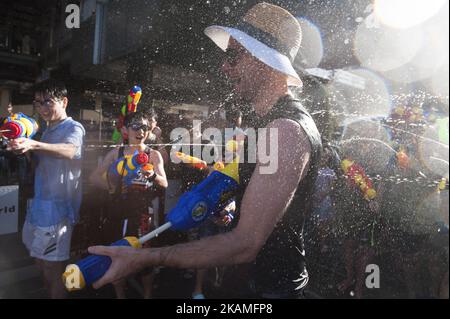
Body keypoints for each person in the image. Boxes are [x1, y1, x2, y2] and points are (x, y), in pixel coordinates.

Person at [88, 2, 322, 298]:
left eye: (234, 56)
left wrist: (145, 257)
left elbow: (246, 243)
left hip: (271, 291)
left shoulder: (285, 130)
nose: (224, 66)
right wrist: (234, 207)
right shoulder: (267, 123)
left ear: (266, 62)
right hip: (252, 285)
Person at [7, 80, 85, 299]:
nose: (42, 108)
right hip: (39, 207)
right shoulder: (47, 131)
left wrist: (33, 145)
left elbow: (70, 150)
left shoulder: (73, 127)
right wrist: (26, 151)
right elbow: (41, 165)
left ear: (64, 101)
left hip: (57, 212)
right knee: (41, 264)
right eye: (38, 103)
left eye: (48, 102)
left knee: (53, 271)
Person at [89, 110, 168, 298]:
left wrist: (153, 176)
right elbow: (93, 177)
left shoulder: (153, 154)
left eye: (145, 128)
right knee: (117, 253)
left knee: (145, 258)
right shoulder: (117, 152)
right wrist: (112, 187)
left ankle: (147, 295)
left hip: (143, 214)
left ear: (149, 131)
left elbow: (164, 182)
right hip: (117, 212)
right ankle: (120, 295)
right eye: (136, 127)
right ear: (125, 130)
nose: (140, 131)